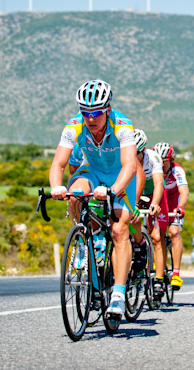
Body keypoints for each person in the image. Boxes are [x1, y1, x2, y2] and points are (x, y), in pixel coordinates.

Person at [48, 79, 137, 318]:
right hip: (94, 172)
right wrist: (56, 186)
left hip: (121, 175)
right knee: (76, 192)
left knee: (119, 229)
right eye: (85, 112)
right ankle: (83, 240)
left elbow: (130, 166)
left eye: (96, 112)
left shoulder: (123, 126)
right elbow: (58, 163)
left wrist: (113, 190)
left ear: (108, 109)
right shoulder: (73, 127)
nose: (90, 118)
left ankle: (118, 294)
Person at [132, 129, 168, 299]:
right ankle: (137, 247)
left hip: (154, 192)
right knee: (131, 220)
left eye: (137, 153)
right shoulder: (125, 158)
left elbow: (159, 183)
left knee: (157, 237)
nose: (134, 156)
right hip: (134, 191)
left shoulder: (153, 157)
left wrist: (154, 204)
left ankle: (159, 279)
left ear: (143, 150)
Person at [153, 141, 188, 290]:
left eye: (165, 162)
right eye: (159, 161)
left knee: (174, 232)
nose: (162, 165)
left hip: (174, 202)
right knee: (157, 236)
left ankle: (176, 274)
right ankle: (159, 264)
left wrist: (181, 207)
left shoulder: (177, 170)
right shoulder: (153, 169)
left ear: (171, 160)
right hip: (161, 202)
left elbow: (184, 192)